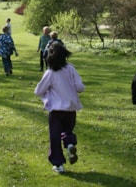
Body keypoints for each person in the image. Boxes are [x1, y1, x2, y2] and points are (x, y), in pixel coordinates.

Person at [34, 42, 85, 174]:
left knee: (55, 136)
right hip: (71, 108)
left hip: (56, 109)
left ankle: (58, 164)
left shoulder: (50, 73)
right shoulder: (71, 69)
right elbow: (80, 87)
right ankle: (69, 144)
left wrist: (47, 96)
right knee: (67, 130)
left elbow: (38, 91)